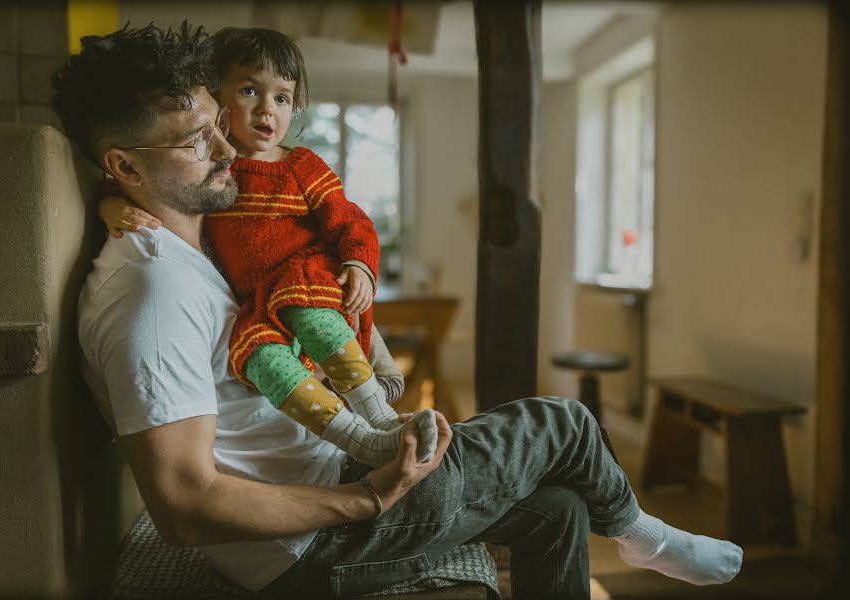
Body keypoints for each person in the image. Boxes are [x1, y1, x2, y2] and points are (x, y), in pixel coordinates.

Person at [53, 22, 743, 600]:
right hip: (311, 549)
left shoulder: (186, 237)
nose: (229, 146)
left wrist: (112, 203)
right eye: (197, 140)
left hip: (326, 481)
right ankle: (644, 536)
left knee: (557, 511)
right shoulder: (151, 292)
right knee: (560, 422)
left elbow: (300, 233)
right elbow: (182, 506)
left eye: (217, 123)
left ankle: (631, 531)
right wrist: (370, 499)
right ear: (126, 165)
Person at [96, 26, 438, 469]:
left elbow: (349, 219)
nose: (266, 109)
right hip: (256, 303)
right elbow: (121, 177)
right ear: (219, 97)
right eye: (249, 91)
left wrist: (359, 264)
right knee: (259, 358)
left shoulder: (301, 166)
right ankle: (358, 440)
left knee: (308, 311)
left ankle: (379, 415)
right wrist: (108, 206)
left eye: (282, 98)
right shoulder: (212, 165)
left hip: (305, 277)